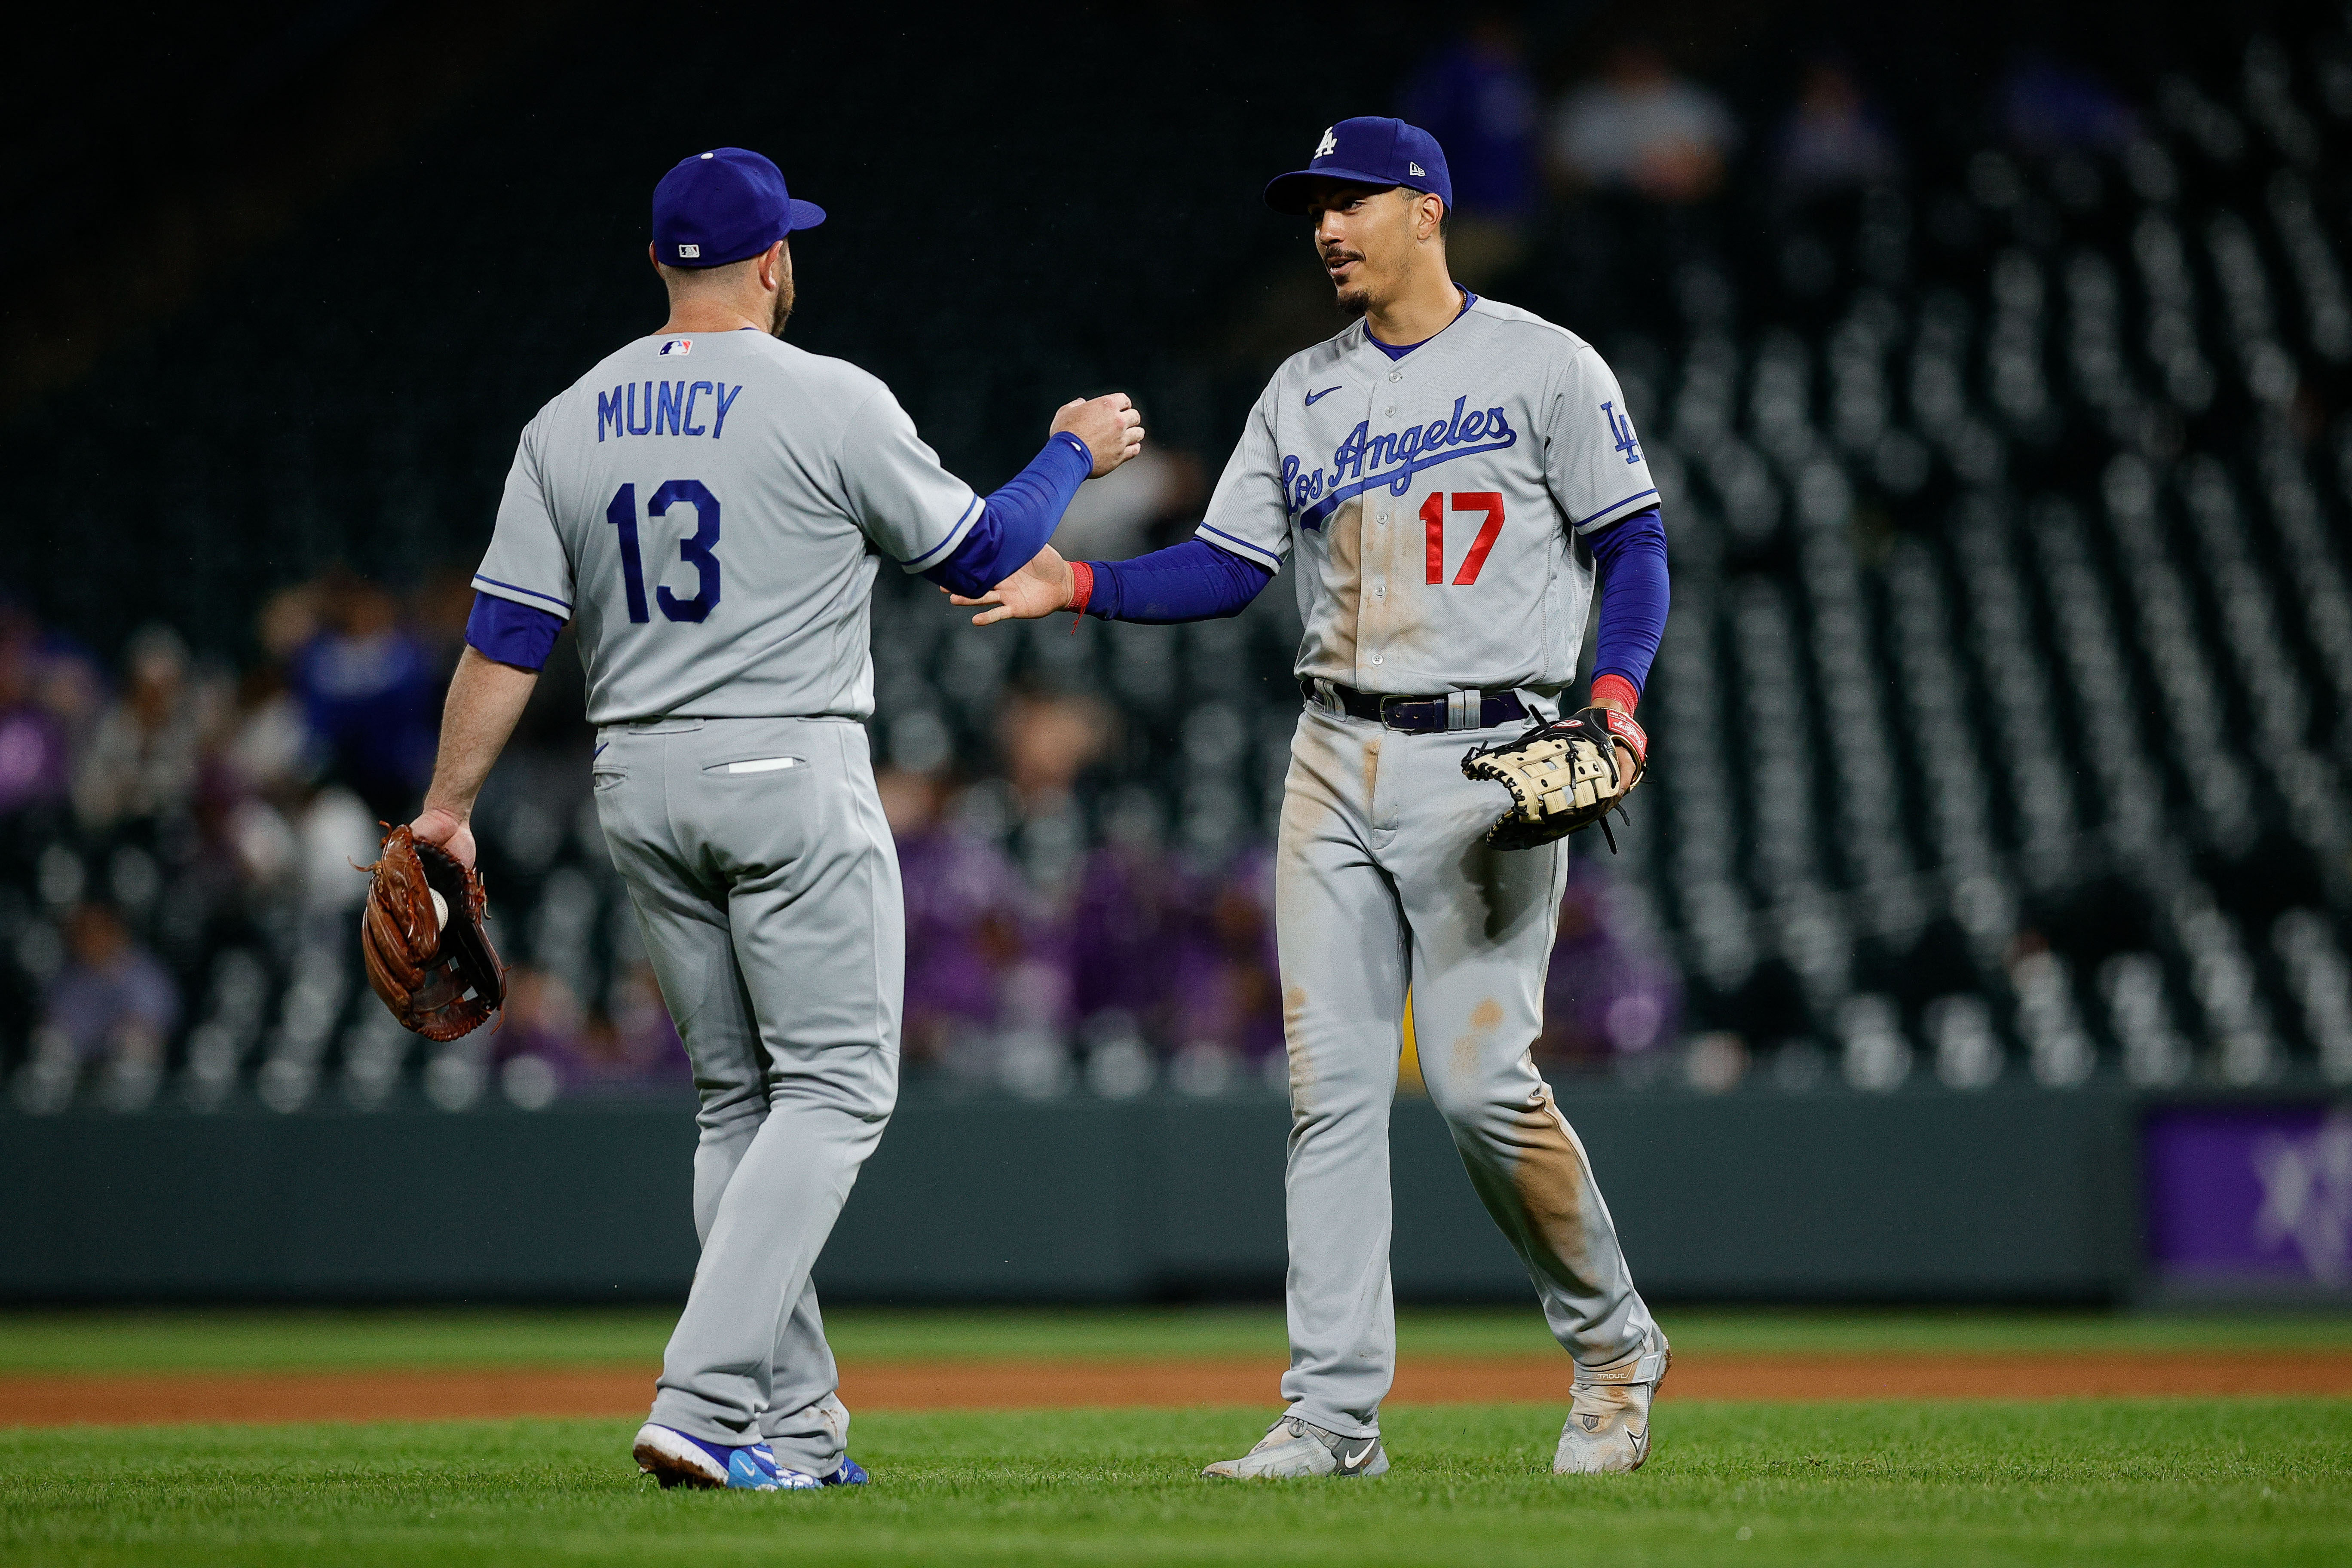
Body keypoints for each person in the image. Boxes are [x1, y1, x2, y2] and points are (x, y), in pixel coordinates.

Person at [402, 147, 1141, 1491]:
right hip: (786, 766)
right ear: (772, 261)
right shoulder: (825, 395)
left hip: (635, 782)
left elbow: (509, 636)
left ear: (657, 266)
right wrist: (1068, 453)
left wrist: (448, 810)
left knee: (736, 1103)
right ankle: (701, 1403)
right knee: (838, 1091)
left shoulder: (566, 419)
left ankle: (796, 1437)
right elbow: (981, 557)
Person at [956, 117, 1674, 1479]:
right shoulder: (1301, 388)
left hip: (1495, 759)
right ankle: (1335, 1418)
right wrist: (1081, 584)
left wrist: (1619, 697)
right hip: (1334, 756)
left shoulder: (1541, 364)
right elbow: (1228, 566)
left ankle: (1612, 1345)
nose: (1328, 228)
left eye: (1352, 203)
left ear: (1427, 208)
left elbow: (1635, 546)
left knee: (1477, 1090)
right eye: (1315, 211)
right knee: (1329, 1096)